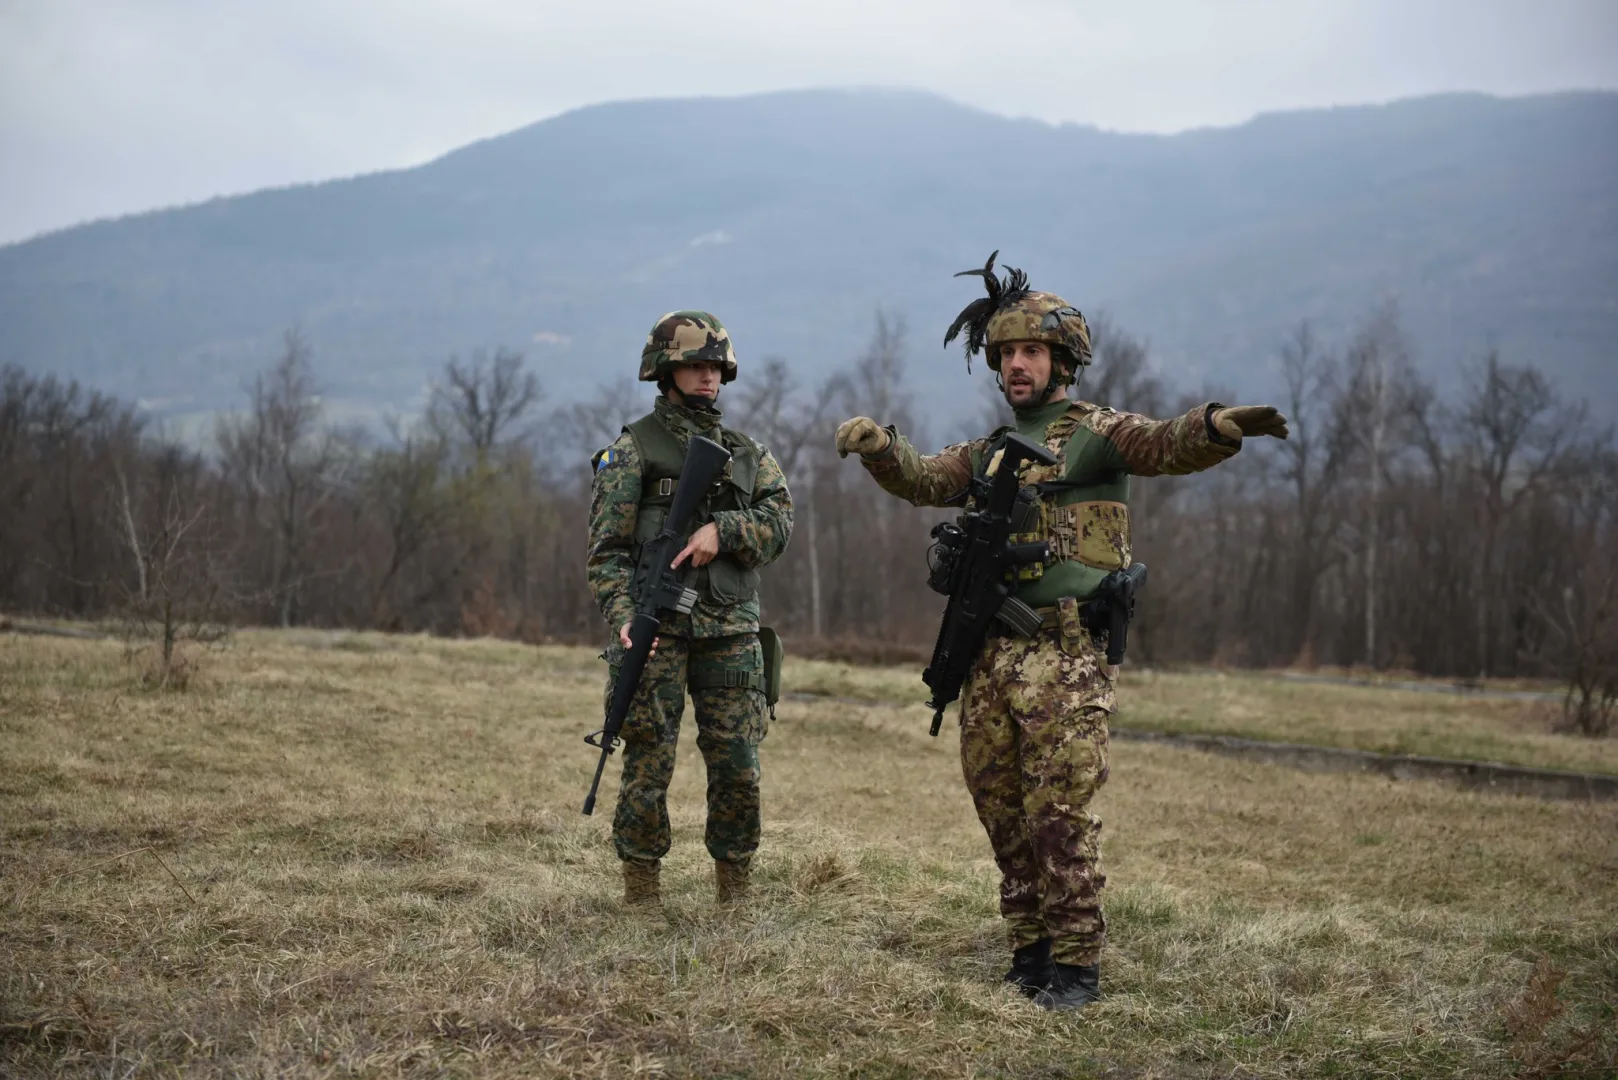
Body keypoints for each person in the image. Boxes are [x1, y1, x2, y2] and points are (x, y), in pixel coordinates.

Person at [833, 254, 1288, 1009]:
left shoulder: (1097, 435)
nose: (1017, 364)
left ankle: (1077, 967)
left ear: (1064, 361)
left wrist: (1216, 427)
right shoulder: (988, 452)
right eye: (1007, 353)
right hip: (992, 657)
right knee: (1001, 808)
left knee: (1060, 816)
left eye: (1031, 352)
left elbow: (1164, 442)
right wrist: (881, 449)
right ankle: (1029, 953)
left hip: (1066, 656)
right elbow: (923, 478)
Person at [587, 310, 793, 909]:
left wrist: (721, 532)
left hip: (729, 631)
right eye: (695, 366)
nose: (708, 378)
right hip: (657, 633)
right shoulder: (631, 452)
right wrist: (626, 616)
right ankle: (642, 894)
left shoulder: (748, 454)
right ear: (666, 371)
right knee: (648, 763)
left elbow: (780, 525)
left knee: (738, 767)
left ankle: (735, 893)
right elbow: (606, 553)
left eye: (714, 367)